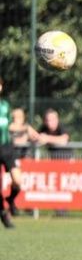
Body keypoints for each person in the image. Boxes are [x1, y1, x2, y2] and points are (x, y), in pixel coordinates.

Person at [0, 78, 27, 229]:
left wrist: (26, 129)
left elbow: (10, 125)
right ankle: (4, 215)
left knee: (18, 181)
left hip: (6, 147)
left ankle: (10, 200)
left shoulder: (4, 106)